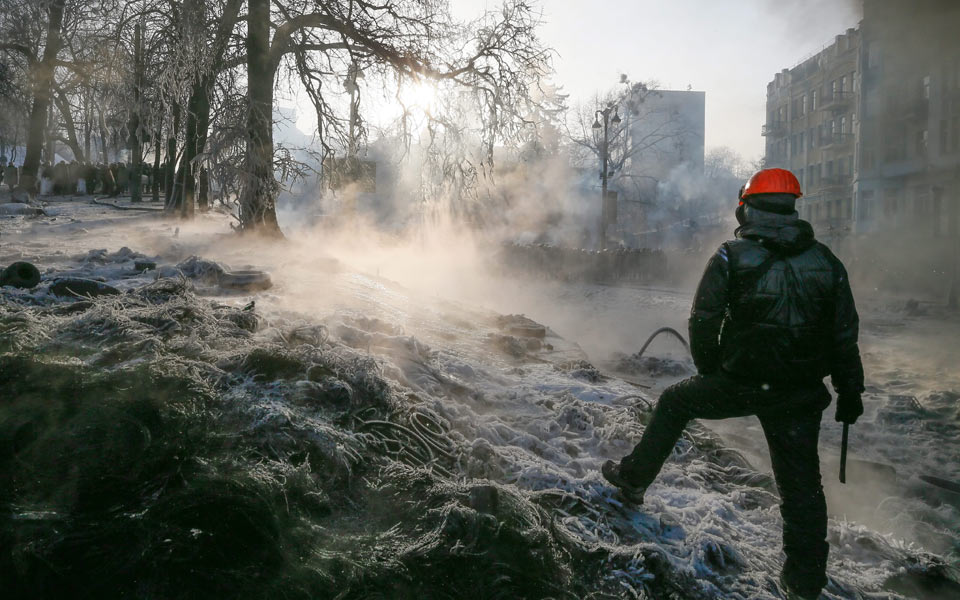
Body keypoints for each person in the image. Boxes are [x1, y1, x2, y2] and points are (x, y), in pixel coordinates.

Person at [601, 168, 865, 600]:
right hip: (798, 393)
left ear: (746, 209)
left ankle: (632, 480)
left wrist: (711, 372)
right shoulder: (826, 262)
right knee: (802, 488)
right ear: (792, 208)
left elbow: (703, 320)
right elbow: (843, 335)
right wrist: (850, 391)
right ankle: (804, 581)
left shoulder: (730, 256)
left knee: (674, 402)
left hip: (740, 381)